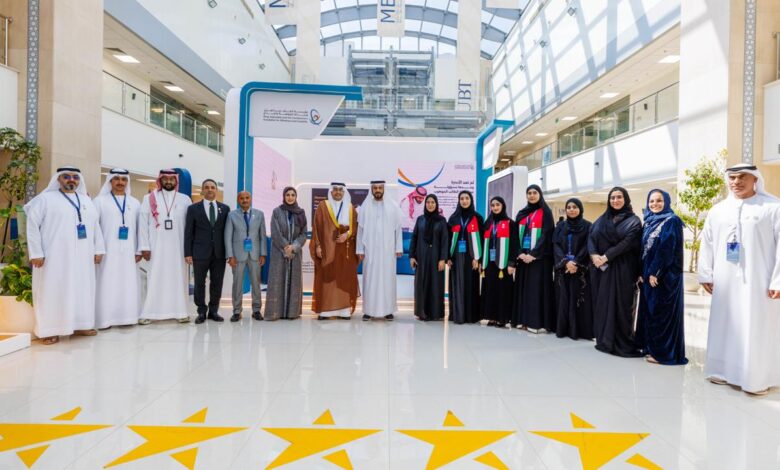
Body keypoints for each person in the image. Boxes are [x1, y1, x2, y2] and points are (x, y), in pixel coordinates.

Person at [699, 163, 780, 395]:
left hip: (759, 281)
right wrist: (706, 273)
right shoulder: (718, 210)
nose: (736, 182)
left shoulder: (773, 207)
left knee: (755, 326)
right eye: (732, 177)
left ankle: (755, 379)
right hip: (725, 281)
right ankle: (721, 371)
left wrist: (778, 280)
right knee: (724, 324)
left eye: (743, 177)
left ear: (755, 179)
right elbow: (707, 243)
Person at [25, 167, 105, 344]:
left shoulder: (86, 200)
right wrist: (36, 252)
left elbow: (95, 226)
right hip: (54, 257)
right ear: (58, 179)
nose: (71, 180)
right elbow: (32, 225)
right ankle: (49, 330)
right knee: (53, 290)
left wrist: (99, 249)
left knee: (82, 289)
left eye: (75, 177)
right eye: (66, 176)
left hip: (83, 257)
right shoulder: (46, 199)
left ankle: (81, 324)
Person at [588, 187, 643, 357]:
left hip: (623, 269)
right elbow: (591, 237)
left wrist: (606, 257)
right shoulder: (602, 219)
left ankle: (620, 342)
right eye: (612, 197)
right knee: (603, 304)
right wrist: (593, 255)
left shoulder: (634, 221)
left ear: (625, 199)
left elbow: (627, 243)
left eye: (619, 197)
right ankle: (604, 340)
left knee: (622, 305)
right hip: (602, 270)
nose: (615, 200)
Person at [636, 189, 687, 365]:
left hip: (664, 277)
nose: (655, 204)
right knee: (649, 312)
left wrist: (654, 272)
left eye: (659, 201)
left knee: (661, 314)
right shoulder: (649, 221)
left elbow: (667, 248)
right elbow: (643, 250)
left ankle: (664, 353)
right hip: (648, 275)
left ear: (666, 201)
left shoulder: (671, 220)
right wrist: (641, 272)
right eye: (651, 201)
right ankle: (650, 347)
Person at [138, 169, 192, 324]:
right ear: (160, 180)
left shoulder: (185, 199)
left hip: (178, 248)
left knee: (179, 279)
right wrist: (144, 246)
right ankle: (150, 312)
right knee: (155, 277)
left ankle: (180, 312)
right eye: (165, 179)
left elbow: (190, 227)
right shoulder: (149, 198)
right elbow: (143, 224)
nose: (168, 181)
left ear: (176, 181)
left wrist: (189, 250)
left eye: (171, 179)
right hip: (156, 247)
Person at [94, 168, 142, 329]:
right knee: (107, 283)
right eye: (116, 179)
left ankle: (128, 317)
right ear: (110, 181)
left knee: (128, 283)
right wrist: (98, 249)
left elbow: (140, 228)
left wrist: (139, 250)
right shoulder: (99, 201)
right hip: (107, 252)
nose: (120, 182)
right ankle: (105, 319)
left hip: (129, 252)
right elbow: (94, 228)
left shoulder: (135, 203)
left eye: (124, 179)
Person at [310, 182, 359, 320]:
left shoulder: (350, 208)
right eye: (335, 190)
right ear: (331, 191)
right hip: (327, 248)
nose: (338, 192)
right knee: (327, 277)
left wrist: (347, 235)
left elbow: (355, 227)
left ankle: (344, 310)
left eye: (340, 190)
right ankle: (326, 310)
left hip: (345, 250)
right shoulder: (323, 206)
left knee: (344, 277)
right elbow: (316, 227)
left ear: (344, 192)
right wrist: (318, 246)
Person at [356, 180, 403, 321]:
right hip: (370, 251)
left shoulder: (393, 206)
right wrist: (360, 249)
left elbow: (398, 229)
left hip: (388, 251)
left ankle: (388, 310)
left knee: (387, 280)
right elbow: (360, 230)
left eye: (380, 188)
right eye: (375, 188)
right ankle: (368, 310)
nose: (377, 190)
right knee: (370, 279)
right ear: (372, 189)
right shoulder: (365, 207)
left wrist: (398, 247)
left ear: (384, 189)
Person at [185, 179, 230, 324]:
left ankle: (214, 311)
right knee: (199, 283)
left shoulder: (225, 209)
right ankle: (201, 311)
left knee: (217, 283)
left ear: (216, 190)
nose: (210, 189)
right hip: (199, 252)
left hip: (219, 253)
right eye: (207, 187)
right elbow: (188, 232)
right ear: (202, 190)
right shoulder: (193, 209)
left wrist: (229, 253)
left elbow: (227, 232)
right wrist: (188, 253)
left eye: (212, 187)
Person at [512, 185, 555, 333]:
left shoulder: (546, 212)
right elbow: (515, 235)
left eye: (534, 193)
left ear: (540, 194)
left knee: (535, 291)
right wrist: (520, 253)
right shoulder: (522, 213)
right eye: (529, 193)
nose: (531, 195)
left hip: (539, 259)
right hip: (523, 259)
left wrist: (533, 254)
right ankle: (522, 320)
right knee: (523, 289)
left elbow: (546, 235)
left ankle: (535, 322)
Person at [552, 198, 594, 340]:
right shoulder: (560, 226)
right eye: (568, 207)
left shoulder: (588, 226)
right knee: (563, 298)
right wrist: (565, 262)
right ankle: (562, 329)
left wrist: (575, 262)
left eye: (575, 207)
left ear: (580, 209)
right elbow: (556, 245)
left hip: (579, 270)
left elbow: (588, 246)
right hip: (563, 269)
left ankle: (578, 331)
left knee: (578, 299)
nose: (571, 210)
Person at [266, 187, 307, 321]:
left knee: (294, 282)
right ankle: (275, 312)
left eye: (292, 195)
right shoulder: (277, 212)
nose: (290, 197)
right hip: (279, 252)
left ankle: (292, 313)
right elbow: (275, 232)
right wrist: (285, 247)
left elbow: (303, 234)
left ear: (296, 197)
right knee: (277, 281)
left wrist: (294, 247)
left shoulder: (301, 213)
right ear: (284, 196)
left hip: (295, 253)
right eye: (288, 195)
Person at [225, 190, 267, 322]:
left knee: (256, 283)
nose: (244, 200)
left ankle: (256, 310)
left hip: (255, 254)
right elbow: (228, 236)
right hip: (237, 256)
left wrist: (263, 254)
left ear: (251, 199)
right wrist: (230, 255)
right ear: (238, 200)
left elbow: (262, 236)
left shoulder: (259, 214)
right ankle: (237, 311)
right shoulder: (232, 215)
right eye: (242, 198)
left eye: (247, 198)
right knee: (237, 284)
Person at [409, 194, 448, 321]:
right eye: (428, 202)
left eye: (433, 202)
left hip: (436, 258)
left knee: (435, 284)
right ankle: (422, 312)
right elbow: (414, 238)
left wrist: (442, 259)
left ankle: (435, 313)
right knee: (421, 283)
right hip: (421, 257)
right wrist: (412, 256)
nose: (430, 204)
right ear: (425, 204)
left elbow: (445, 240)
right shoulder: (420, 219)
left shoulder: (441, 220)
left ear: (436, 204)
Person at [446, 191, 483, 324]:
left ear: (471, 200)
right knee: (457, 284)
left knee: (470, 284)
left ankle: (471, 315)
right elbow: (448, 239)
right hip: (456, 256)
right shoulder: (453, 218)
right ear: (459, 201)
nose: (464, 201)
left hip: (471, 257)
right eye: (462, 198)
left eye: (467, 198)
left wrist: (478, 258)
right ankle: (458, 314)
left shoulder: (478, 218)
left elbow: (482, 239)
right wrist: (448, 257)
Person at [480, 196, 517, 327]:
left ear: (503, 206)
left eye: (497, 205)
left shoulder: (510, 223)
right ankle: (491, 317)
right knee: (490, 289)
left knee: (503, 291)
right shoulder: (487, 223)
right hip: (489, 263)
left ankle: (502, 318)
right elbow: (482, 243)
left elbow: (514, 245)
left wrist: (512, 263)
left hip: (504, 264)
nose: (495, 207)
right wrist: (481, 262)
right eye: (493, 205)